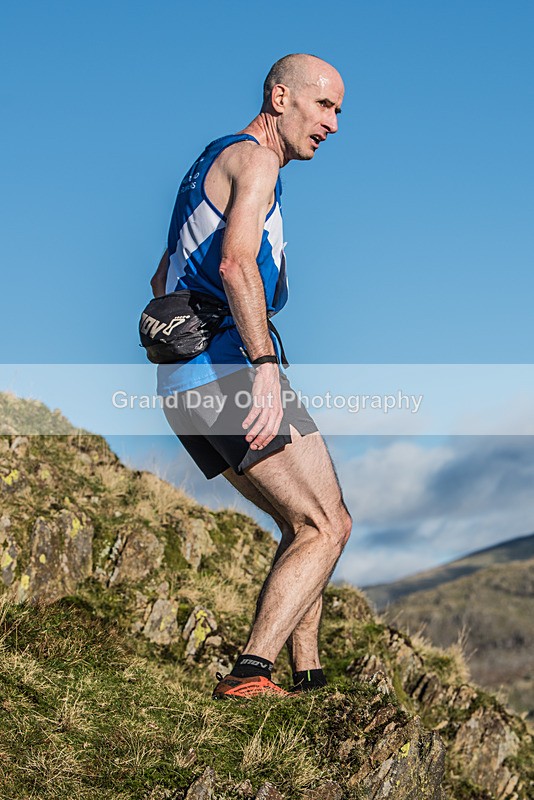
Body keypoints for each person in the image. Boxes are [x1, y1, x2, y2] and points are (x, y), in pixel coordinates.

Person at [151, 53, 352, 699]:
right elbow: (238, 267)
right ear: (279, 95)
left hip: (187, 382)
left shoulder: (210, 161)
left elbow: (162, 280)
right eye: (324, 106)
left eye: (338, 111)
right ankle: (250, 673)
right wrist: (263, 368)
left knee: (306, 523)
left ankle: (310, 675)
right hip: (231, 370)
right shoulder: (256, 160)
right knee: (326, 525)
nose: (333, 124)